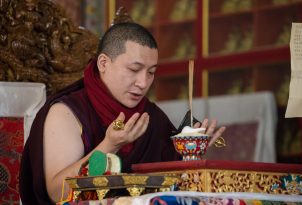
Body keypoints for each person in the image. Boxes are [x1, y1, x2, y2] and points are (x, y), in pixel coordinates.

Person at [19, 22, 226, 204]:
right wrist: (110, 145)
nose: (143, 83)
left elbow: (170, 185)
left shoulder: (150, 116)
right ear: (103, 64)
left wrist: (190, 153)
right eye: (134, 69)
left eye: (151, 72)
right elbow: (57, 193)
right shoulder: (67, 113)